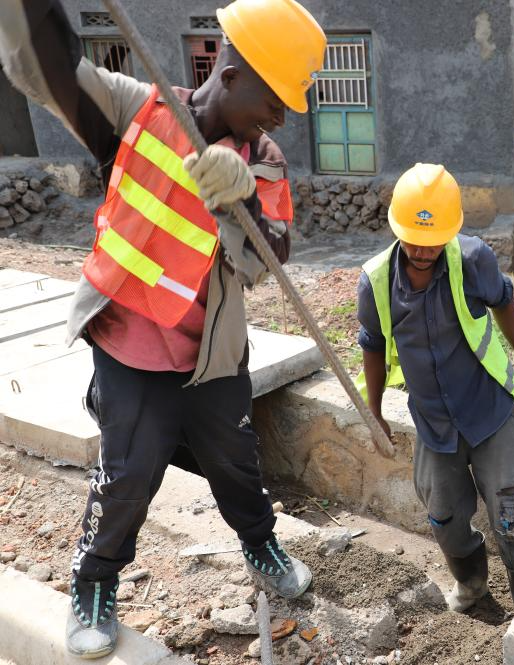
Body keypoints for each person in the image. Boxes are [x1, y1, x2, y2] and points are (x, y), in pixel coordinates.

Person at [0, 0, 326, 657]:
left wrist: (241, 198)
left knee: (237, 465)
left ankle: (260, 544)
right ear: (231, 77)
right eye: (275, 101)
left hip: (211, 357)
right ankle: (94, 581)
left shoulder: (264, 161)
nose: (281, 118)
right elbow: (51, 67)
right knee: (127, 473)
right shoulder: (135, 111)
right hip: (129, 351)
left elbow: (269, 260)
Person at [356, 163, 514, 612]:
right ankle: (472, 584)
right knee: (444, 516)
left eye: (434, 240)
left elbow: (504, 302)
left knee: (512, 515)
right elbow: (373, 347)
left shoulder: (472, 259)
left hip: (490, 411)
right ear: (397, 228)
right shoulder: (376, 281)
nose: (423, 250)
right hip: (435, 423)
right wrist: (374, 413)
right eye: (414, 240)